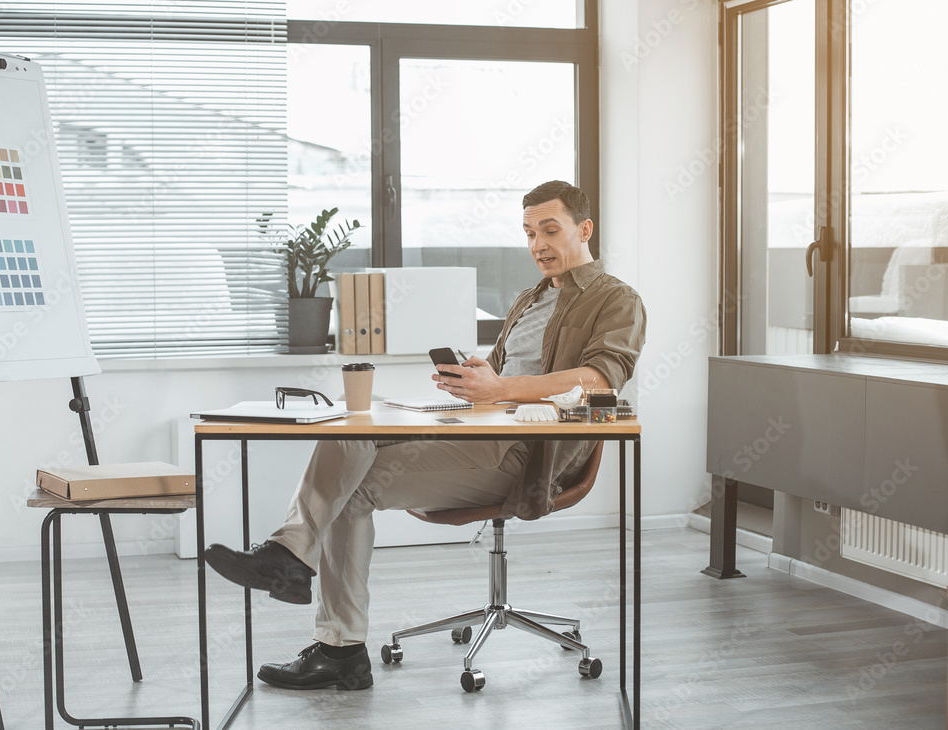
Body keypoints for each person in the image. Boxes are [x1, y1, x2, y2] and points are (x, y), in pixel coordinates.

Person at [205, 180, 646, 691]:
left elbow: (599, 380)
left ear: (584, 228)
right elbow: (500, 384)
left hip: (530, 457)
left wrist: (500, 386)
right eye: (528, 233)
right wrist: (477, 380)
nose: (537, 245)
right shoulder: (530, 299)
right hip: (482, 434)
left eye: (550, 230)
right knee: (349, 434)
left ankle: (334, 643)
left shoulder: (617, 300)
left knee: (351, 490)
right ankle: (293, 566)